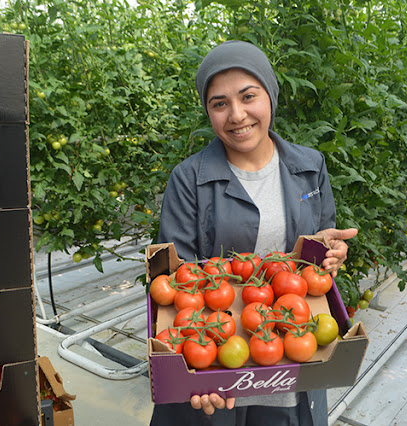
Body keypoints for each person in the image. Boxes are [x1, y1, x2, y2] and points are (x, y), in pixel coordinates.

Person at [151, 39, 358, 426]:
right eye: (219, 103)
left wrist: (331, 256)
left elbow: (315, 261)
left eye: (249, 96)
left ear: (270, 95)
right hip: (216, 365)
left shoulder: (310, 167)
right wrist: (193, 370)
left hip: (287, 363)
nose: (237, 114)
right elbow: (175, 283)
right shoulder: (189, 180)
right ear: (208, 111)